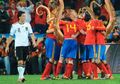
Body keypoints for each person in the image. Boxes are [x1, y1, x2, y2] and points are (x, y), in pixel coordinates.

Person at [5, 11, 36, 83]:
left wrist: (34, 42)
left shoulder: (28, 25)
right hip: (18, 45)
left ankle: (20, 77)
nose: (25, 17)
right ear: (19, 17)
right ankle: (21, 77)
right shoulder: (14, 25)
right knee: (20, 61)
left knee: (24, 62)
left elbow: (31, 34)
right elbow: (10, 37)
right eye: (23, 16)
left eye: (25, 16)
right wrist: (7, 46)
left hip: (26, 45)